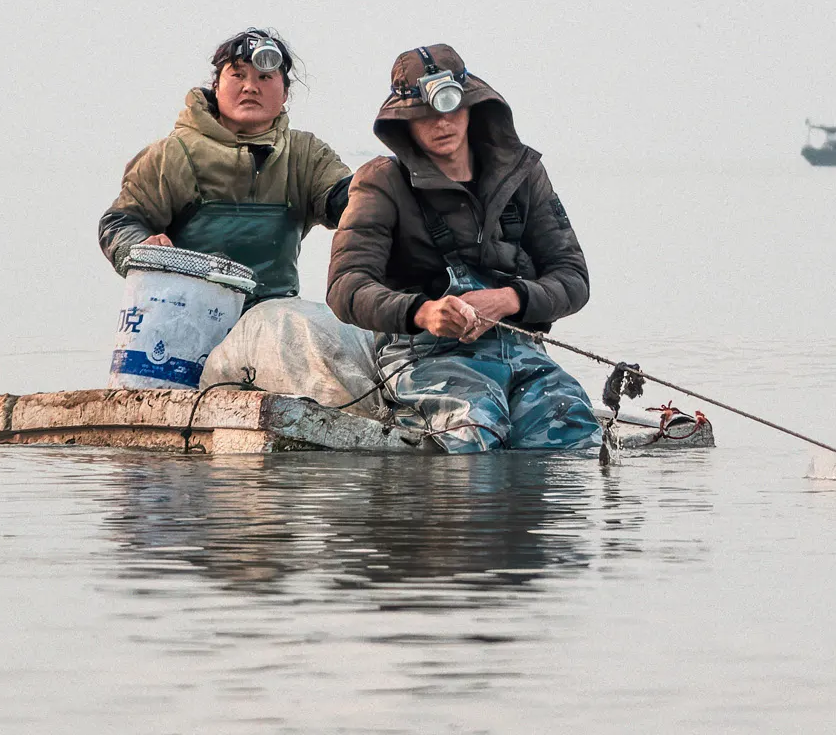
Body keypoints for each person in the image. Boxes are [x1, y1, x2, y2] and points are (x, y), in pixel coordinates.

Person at [327, 44, 600, 452]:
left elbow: (572, 278)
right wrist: (423, 311)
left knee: (571, 428)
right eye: (424, 114)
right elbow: (346, 287)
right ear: (403, 121)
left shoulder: (524, 174)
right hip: (425, 356)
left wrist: (510, 300)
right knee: (473, 430)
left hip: (521, 350)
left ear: (472, 105)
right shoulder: (380, 182)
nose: (441, 123)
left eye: (451, 107)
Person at [98, 28, 353, 303]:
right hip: (182, 315)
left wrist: (387, 191)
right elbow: (120, 221)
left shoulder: (306, 155)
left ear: (285, 94)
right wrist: (140, 246)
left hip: (274, 320)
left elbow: (354, 204)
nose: (250, 87)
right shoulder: (172, 154)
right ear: (216, 85)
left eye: (265, 77)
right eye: (238, 75)